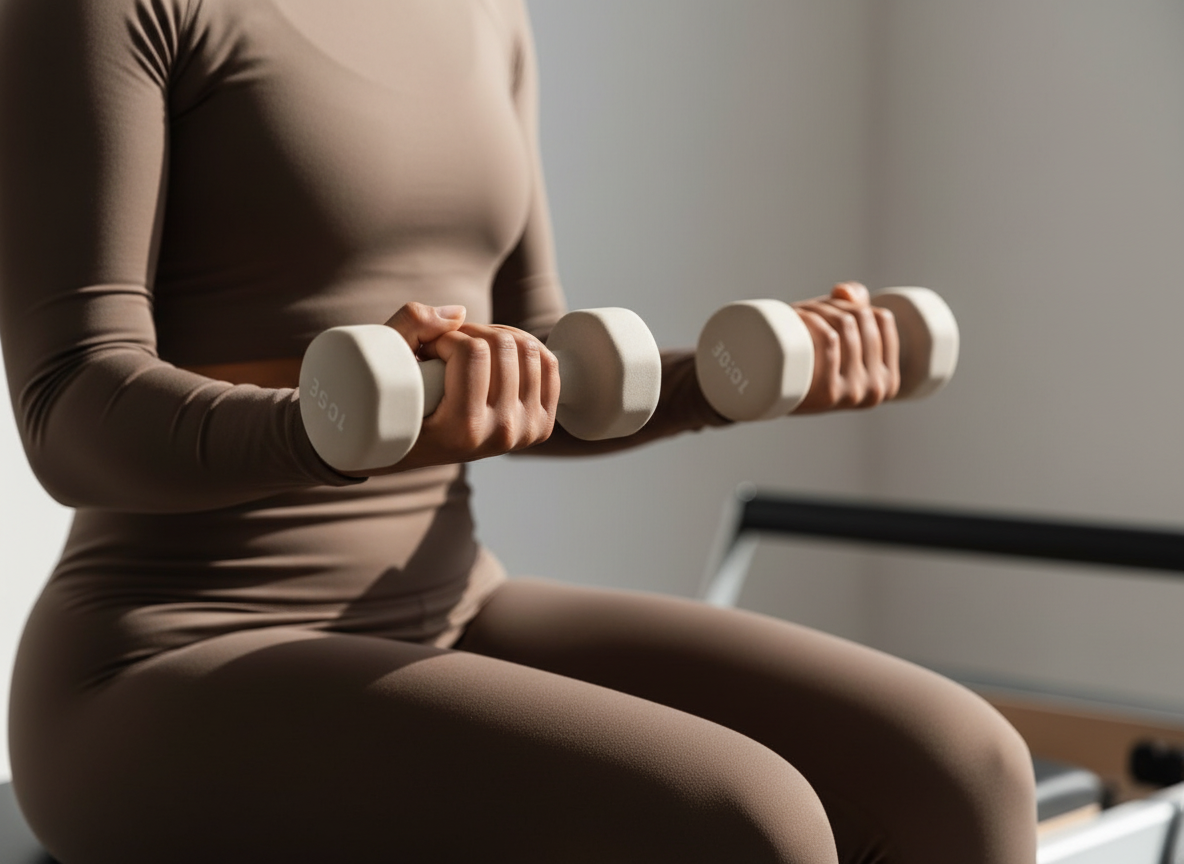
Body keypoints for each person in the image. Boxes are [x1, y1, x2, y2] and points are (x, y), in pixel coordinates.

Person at [0, 0, 1037, 861]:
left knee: (963, 768)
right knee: (743, 825)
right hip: (169, 653)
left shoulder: (482, 11)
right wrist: (334, 429)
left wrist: (746, 378)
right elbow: (69, 410)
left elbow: (543, 374)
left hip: (454, 601)